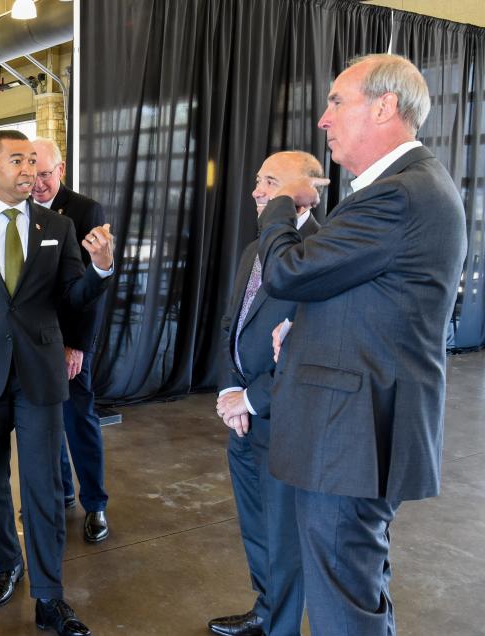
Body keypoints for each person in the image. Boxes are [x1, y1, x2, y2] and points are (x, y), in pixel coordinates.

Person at [233, 53, 467, 635]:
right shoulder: (399, 189)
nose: (323, 118)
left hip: (351, 438)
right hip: (354, 429)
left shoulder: (399, 194)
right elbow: (366, 296)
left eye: (337, 102)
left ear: (385, 106)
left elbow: (289, 271)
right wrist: (304, 329)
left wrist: (284, 200)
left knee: (342, 603)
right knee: (355, 586)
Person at [0, 130, 114, 636]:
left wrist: (100, 269)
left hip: (39, 373)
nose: (29, 169)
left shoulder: (57, 225)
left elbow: (75, 296)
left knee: (44, 484)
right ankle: (7, 563)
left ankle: (50, 596)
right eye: (17, 160)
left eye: (33, 160)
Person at [210, 151, 323, 636]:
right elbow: (231, 324)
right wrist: (231, 389)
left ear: (305, 189)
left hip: (287, 420)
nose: (257, 190)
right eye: (258, 179)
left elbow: (307, 350)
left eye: (270, 181)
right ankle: (265, 610)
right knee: (257, 529)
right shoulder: (254, 250)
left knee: (283, 538)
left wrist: (252, 400)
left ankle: (280, 627)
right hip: (244, 418)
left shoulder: (324, 250)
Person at [30, 137, 110, 543]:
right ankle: (60, 491)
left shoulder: (83, 210)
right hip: (32, 338)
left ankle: (95, 504)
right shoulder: (21, 208)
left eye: (46, 173)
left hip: (69, 337)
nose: (39, 182)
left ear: (60, 170)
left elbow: (92, 287)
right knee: (43, 421)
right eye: (33, 173)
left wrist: (77, 344)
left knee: (79, 420)